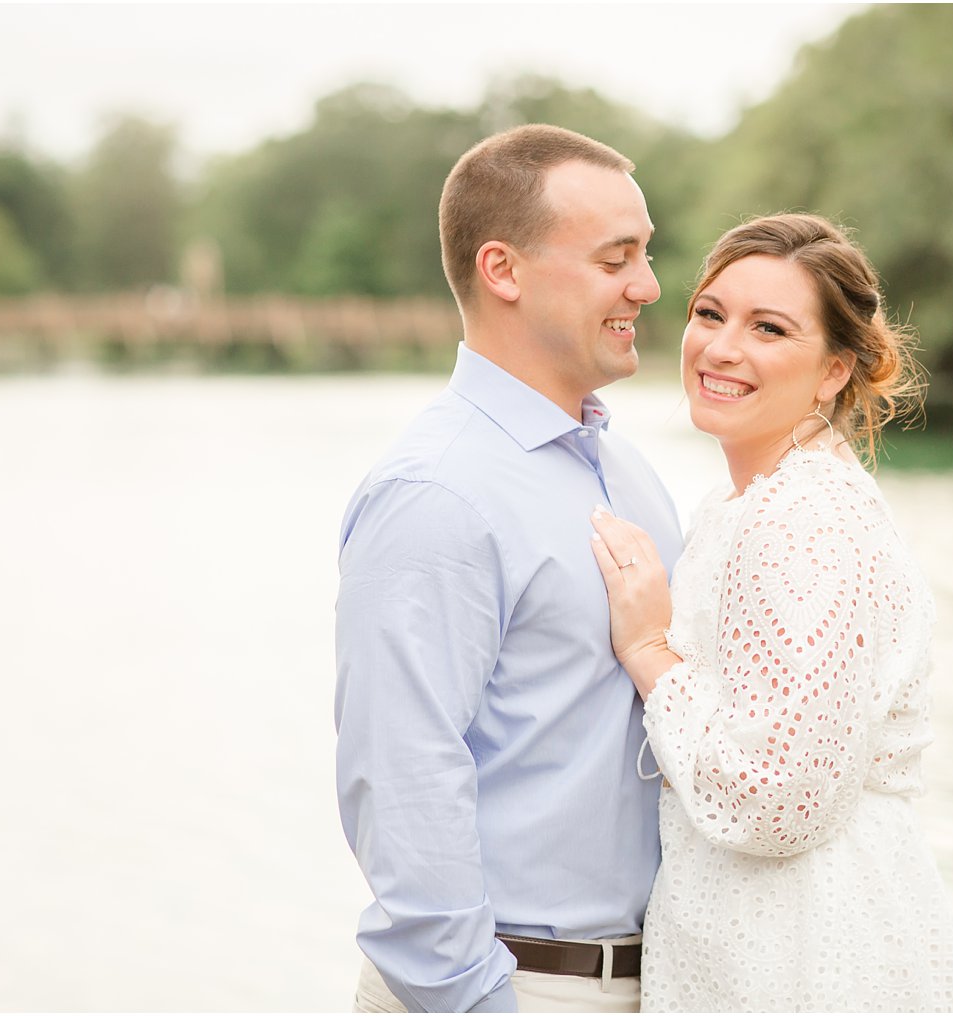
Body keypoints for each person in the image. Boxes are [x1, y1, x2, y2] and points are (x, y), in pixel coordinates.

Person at [587, 213, 953, 1012]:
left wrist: (649, 649)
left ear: (835, 369)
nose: (723, 348)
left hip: (805, 950)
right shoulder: (752, 503)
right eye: (710, 314)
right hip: (759, 936)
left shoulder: (802, 519)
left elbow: (782, 798)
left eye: (769, 328)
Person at [334, 124, 682, 1013]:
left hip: (658, 983)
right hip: (516, 988)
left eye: (646, 255)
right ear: (504, 270)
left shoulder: (627, 469)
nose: (646, 286)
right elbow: (405, 774)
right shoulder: (437, 492)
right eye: (618, 259)